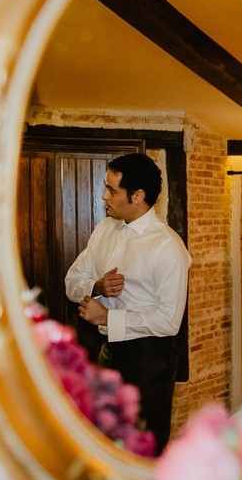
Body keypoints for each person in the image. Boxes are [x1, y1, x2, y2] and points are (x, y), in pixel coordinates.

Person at [64, 152, 190, 453]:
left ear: (138, 195)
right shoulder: (105, 229)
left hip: (150, 358)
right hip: (108, 352)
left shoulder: (167, 246)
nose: (103, 196)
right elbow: (72, 281)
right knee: (106, 441)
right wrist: (97, 285)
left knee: (144, 445)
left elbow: (169, 321)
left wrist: (108, 318)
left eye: (112, 190)